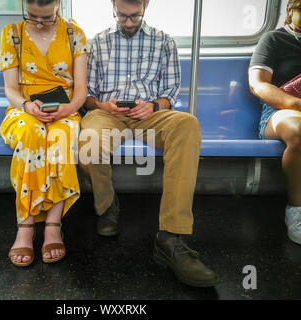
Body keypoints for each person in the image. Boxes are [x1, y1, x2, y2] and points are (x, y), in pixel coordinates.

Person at [78, 0, 219, 287]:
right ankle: (107, 206)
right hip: (108, 113)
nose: (129, 22)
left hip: (149, 115)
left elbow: (170, 94)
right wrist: (104, 105)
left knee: (187, 124)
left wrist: (153, 106)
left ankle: (170, 236)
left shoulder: (164, 42)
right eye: (122, 16)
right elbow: (88, 96)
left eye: (135, 16)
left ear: (146, 6)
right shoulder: (96, 43)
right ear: (113, 7)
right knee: (88, 142)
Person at [0, 0, 89, 266]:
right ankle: (25, 225)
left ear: (59, 6)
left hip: (66, 109)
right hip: (24, 109)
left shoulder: (75, 34)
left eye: (47, 17)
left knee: (58, 138)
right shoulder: (11, 33)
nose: (39, 22)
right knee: (32, 134)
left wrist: (68, 108)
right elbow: (11, 89)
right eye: (32, 16)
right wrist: (27, 106)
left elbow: (81, 88)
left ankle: (53, 223)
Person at [249, 0, 301, 245]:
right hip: (280, 111)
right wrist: (297, 104)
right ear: (291, 11)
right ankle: (297, 210)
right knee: (300, 132)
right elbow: (258, 84)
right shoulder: (274, 40)